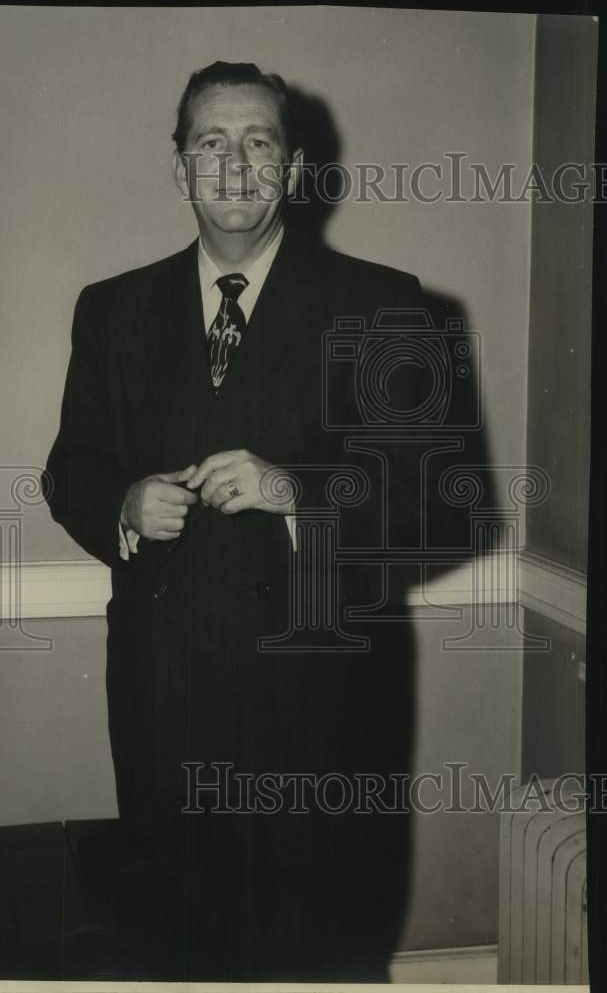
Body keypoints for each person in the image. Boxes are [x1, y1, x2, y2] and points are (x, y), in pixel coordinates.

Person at [44, 61, 433, 981]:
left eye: (259, 142)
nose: (235, 164)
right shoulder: (111, 310)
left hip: (318, 718)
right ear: (179, 169)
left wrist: (293, 491)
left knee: (313, 960)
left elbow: (431, 510)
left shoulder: (384, 304)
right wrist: (123, 504)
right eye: (210, 143)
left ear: (293, 170)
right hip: (161, 706)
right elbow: (74, 470)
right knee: (177, 952)